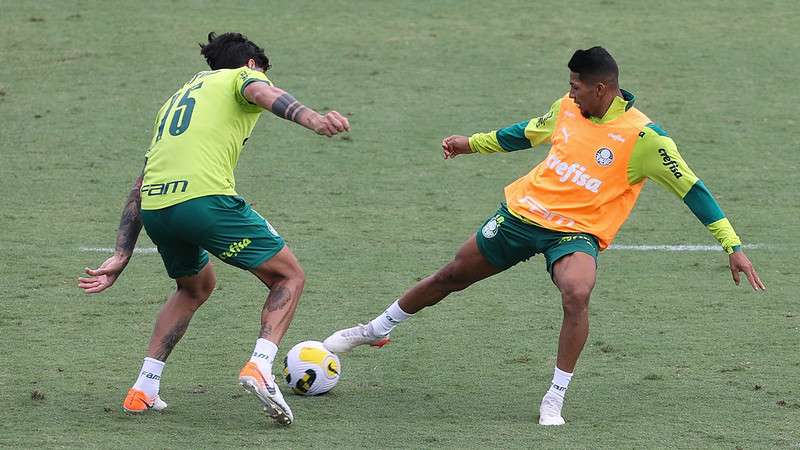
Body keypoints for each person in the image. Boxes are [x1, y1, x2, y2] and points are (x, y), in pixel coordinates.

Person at [323, 46, 765, 426]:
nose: (570, 91)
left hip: (574, 234)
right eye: (569, 83)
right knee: (450, 276)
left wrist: (734, 247)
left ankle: (555, 394)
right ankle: (374, 329)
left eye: (577, 84)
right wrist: (469, 143)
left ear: (603, 88)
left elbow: (693, 190)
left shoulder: (645, 138)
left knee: (577, 292)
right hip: (521, 216)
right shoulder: (568, 109)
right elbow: (524, 133)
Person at [78, 32, 350, 425]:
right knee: (288, 276)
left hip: (156, 206)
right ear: (251, 64)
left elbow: (142, 180)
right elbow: (260, 92)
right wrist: (313, 119)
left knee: (194, 286)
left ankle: (144, 387)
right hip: (204, 201)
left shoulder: (175, 100)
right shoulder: (242, 77)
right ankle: (260, 365)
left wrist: (122, 252)